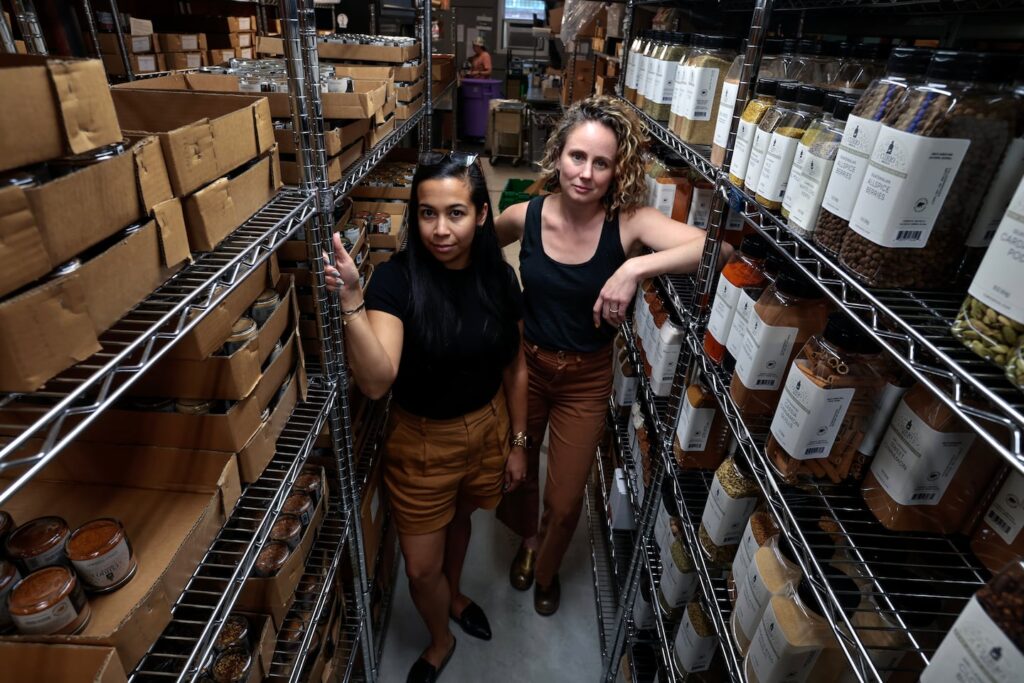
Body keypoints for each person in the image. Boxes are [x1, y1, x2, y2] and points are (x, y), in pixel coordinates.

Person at [494, 96, 727, 616]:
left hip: (586, 377)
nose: (586, 173)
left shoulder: (629, 223)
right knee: (519, 470)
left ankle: (548, 568)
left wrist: (633, 270)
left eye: (601, 163)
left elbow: (717, 250)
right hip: (525, 368)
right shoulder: (522, 216)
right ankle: (529, 546)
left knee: (567, 495)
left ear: (616, 169)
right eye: (577, 157)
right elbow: (476, 253)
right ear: (558, 155)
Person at [325, 153, 528, 683]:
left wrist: (520, 441)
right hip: (420, 443)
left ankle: (456, 595)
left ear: (482, 214)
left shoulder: (499, 278)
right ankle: (440, 640)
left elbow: (515, 364)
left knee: (461, 518)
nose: (440, 229)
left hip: (487, 428)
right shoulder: (396, 281)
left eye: (456, 213)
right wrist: (352, 301)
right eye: (427, 213)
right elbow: (376, 380)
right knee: (419, 566)